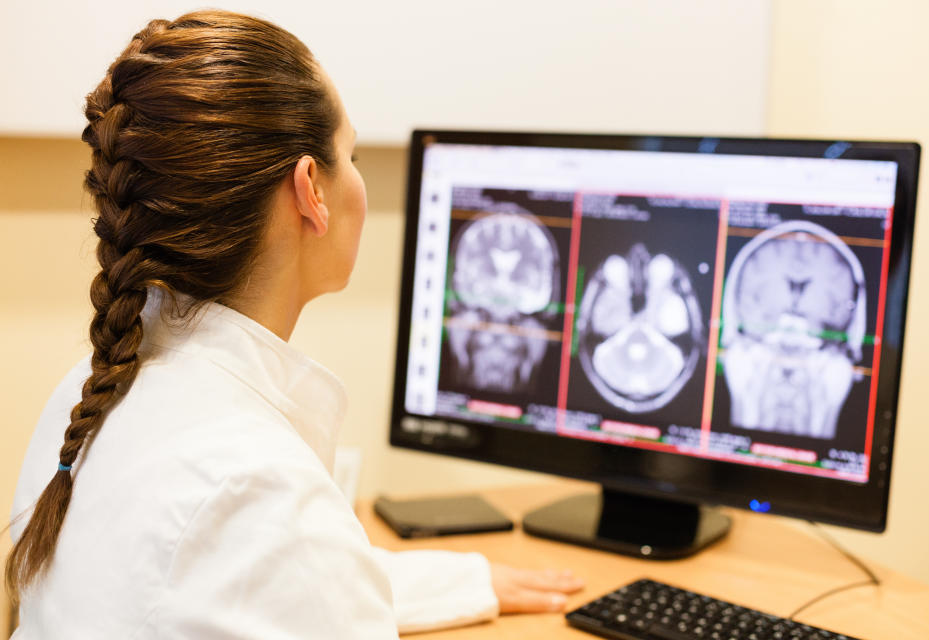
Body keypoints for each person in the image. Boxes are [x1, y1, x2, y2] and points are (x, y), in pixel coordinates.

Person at [4, 10, 583, 637]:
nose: (358, 179)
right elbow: (275, 564)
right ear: (311, 189)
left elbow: (230, 588)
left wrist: (460, 581)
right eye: (351, 154)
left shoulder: (88, 399)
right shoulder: (261, 493)